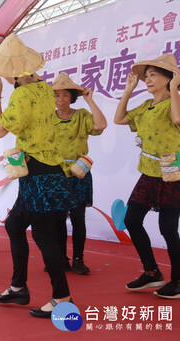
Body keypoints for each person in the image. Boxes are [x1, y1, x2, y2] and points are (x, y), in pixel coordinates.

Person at [0, 33, 75, 318]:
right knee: (14, 226)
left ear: (11, 71)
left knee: (45, 237)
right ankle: (19, 286)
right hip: (44, 172)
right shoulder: (47, 89)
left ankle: (62, 297)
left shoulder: (22, 93)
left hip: (39, 175)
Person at [114, 53, 180, 299]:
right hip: (149, 170)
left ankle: (178, 280)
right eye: (147, 76)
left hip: (173, 168)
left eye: (154, 75)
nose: (148, 80)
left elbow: (177, 118)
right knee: (131, 220)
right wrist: (128, 90)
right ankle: (152, 272)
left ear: (169, 78)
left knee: (168, 229)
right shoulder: (145, 106)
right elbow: (119, 118)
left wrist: (175, 89)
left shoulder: (176, 102)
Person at [51, 73, 107, 274]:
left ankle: (78, 259)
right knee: (56, 219)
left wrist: (90, 99)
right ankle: (60, 259)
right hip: (55, 175)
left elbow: (100, 125)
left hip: (78, 174)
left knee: (77, 218)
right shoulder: (48, 119)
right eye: (56, 95)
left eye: (65, 95)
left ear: (72, 97)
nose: (60, 100)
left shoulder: (82, 115)